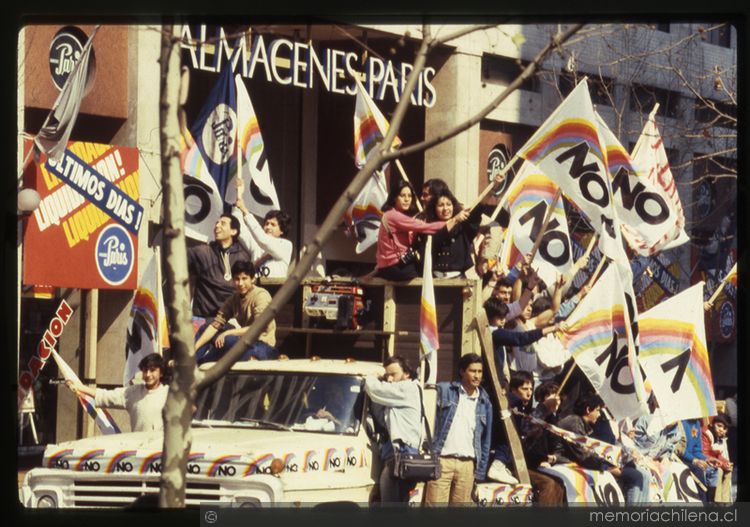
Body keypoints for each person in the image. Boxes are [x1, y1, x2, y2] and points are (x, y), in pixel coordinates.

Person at [553, 394, 649, 504]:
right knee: (636, 476)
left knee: (642, 475)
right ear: (588, 409)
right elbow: (583, 455)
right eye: (597, 410)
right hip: (565, 462)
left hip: (600, 462)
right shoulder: (574, 422)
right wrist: (606, 468)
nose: (599, 414)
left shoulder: (581, 423)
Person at [425, 353, 493, 505]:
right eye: (472, 371)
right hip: (442, 460)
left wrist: (480, 471)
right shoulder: (444, 390)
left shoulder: (485, 401)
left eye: (479, 372)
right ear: (462, 371)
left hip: (467, 465)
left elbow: (485, 439)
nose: (477, 376)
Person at [375, 179, 468, 281]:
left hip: (393, 265)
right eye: (403, 196)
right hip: (397, 266)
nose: (407, 199)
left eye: (409, 196)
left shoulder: (402, 215)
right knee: (422, 272)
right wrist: (453, 220)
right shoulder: (395, 216)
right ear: (394, 197)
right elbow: (425, 227)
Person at [194, 260, 278, 364]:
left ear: (253, 279)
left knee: (229, 340)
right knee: (206, 327)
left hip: (263, 346)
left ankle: (202, 363)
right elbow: (216, 324)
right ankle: (192, 361)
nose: (240, 283)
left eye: (244, 278)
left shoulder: (261, 296)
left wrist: (228, 332)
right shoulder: (234, 299)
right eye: (237, 279)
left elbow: (258, 328)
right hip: (245, 342)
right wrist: (194, 348)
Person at [364, 356, 422, 503]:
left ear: (407, 374)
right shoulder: (396, 396)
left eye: (393, 374)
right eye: (386, 375)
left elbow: (373, 389)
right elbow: (381, 418)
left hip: (401, 455)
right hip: (395, 454)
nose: (389, 379)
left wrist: (372, 375)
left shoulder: (407, 388)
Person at [65, 353, 168, 433]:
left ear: (161, 372)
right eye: (145, 371)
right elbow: (106, 396)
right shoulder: (133, 393)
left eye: (152, 370)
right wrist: (79, 387)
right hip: (140, 453)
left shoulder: (170, 394)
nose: (148, 374)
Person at [483, 297, 561, 385]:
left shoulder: (499, 330)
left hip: (524, 375)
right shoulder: (495, 333)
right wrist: (552, 328)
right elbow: (521, 338)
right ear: (490, 316)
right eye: (499, 317)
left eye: (504, 317)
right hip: (515, 376)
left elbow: (553, 310)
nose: (503, 320)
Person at [188, 214, 250, 321]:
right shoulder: (202, 252)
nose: (217, 226)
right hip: (203, 317)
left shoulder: (242, 256)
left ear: (233, 231)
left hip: (230, 319)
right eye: (216, 223)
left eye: (223, 223)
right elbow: (178, 261)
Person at [234, 177, 293, 279]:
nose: (268, 227)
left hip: (275, 291)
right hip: (256, 290)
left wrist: (245, 210)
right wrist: (238, 198)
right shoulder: (257, 245)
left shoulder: (286, 246)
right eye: (266, 224)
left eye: (273, 225)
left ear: (282, 231)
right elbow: (240, 230)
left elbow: (263, 240)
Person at [423, 188, 484, 278]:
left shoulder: (462, 227)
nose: (445, 208)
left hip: (458, 280)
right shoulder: (429, 226)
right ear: (434, 208)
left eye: (448, 204)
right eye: (441, 205)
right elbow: (436, 239)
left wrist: (492, 189)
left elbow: (477, 213)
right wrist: (454, 220)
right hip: (434, 280)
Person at [679, 418, 720, 503]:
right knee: (699, 470)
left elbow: (696, 450)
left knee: (713, 470)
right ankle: (703, 503)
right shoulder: (681, 423)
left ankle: (710, 502)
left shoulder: (696, 423)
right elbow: (681, 450)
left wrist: (707, 459)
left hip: (694, 458)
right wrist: (695, 461)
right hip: (682, 459)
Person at [702, 414, 733, 502]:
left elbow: (717, 454)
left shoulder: (717, 436)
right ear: (713, 423)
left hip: (713, 461)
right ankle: (717, 501)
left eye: (724, 428)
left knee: (729, 469)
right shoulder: (706, 433)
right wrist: (722, 464)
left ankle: (725, 501)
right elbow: (705, 453)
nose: (721, 430)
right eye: (719, 426)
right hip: (704, 460)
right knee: (718, 471)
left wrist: (725, 462)